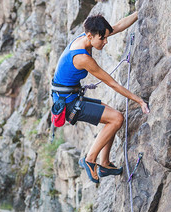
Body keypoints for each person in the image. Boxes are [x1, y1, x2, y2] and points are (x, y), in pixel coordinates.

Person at [51, 12, 149, 183]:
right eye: (102, 39)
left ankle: (104, 163)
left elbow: (117, 26)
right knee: (116, 119)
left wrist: (139, 11)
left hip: (71, 97)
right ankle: (90, 160)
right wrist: (139, 100)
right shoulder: (82, 58)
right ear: (90, 36)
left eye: (105, 37)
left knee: (114, 117)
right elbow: (112, 83)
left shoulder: (90, 35)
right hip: (68, 104)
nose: (106, 41)